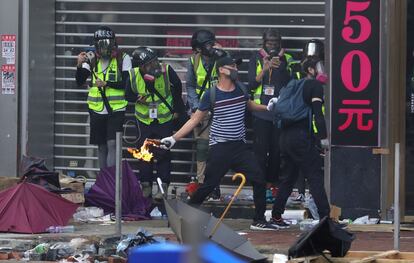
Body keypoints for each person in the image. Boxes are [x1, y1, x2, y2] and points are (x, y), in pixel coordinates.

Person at [161, 55, 278, 230]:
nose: (236, 69)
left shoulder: (241, 88)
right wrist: (173, 138)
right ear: (222, 70)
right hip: (220, 148)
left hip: (239, 146)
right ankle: (182, 217)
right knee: (208, 185)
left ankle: (259, 220)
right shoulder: (211, 94)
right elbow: (194, 120)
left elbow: (249, 105)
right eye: (232, 66)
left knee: (259, 178)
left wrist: (267, 107)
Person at [267, 56, 331, 228]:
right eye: (319, 67)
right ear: (310, 70)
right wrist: (323, 139)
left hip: (285, 137)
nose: (322, 71)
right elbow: (318, 113)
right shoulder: (314, 86)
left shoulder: (293, 85)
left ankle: (276, 216)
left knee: (288, 178)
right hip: (301, 137)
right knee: (315, 176)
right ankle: (326, 219)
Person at [127, 46, 185, 200]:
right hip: (144, 120)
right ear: (141, 66)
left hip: (164, 119)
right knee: (145, 154)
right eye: (149, 64)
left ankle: (162, 188)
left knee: (163, 153)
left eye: (155, 62)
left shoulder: (166, 70)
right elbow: (127, 95)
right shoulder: (133, 75)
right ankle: (145, 185)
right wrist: (137, 98)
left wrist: (177, 110)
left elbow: (177, 88)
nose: (154, 66)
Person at [75, 26, 131, 169]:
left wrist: (107, 83)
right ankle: (103, 181)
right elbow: (80, 81)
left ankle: (112, 181)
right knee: (101, 146)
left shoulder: (123, 58)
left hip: (116, 109)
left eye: (106, 44)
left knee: (112, 143)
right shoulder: (92, 59)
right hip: (96, 109)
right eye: (99, 45)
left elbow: (126, 83)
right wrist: (79, 64)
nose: (103, 48)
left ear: (113, 44)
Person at [248, 28, 294, 192]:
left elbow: (292, 85)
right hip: (261, 113)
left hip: (279, 113)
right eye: (269, 43)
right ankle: (259, 184)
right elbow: (251, 85)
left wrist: (281, 65)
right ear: (264, 43)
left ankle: (272, 183)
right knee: (260, 151)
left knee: (277, 151)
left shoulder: (287, 59)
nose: (272, 46)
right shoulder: (256, 58)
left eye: (275, 43)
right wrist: (265, 69)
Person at [186, 29, 225, 199]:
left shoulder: (221, 57)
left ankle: (214, 184)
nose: (211, 46)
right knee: (202, 148)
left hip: (221, 109)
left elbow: (233, 77)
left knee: (217, 150)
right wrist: (196, 107)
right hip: (201, 110)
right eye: (208, 44)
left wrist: (224, 55)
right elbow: (190, 86)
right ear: (199, 49)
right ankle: (202, 183)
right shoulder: (193, 61)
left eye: (212, 43)